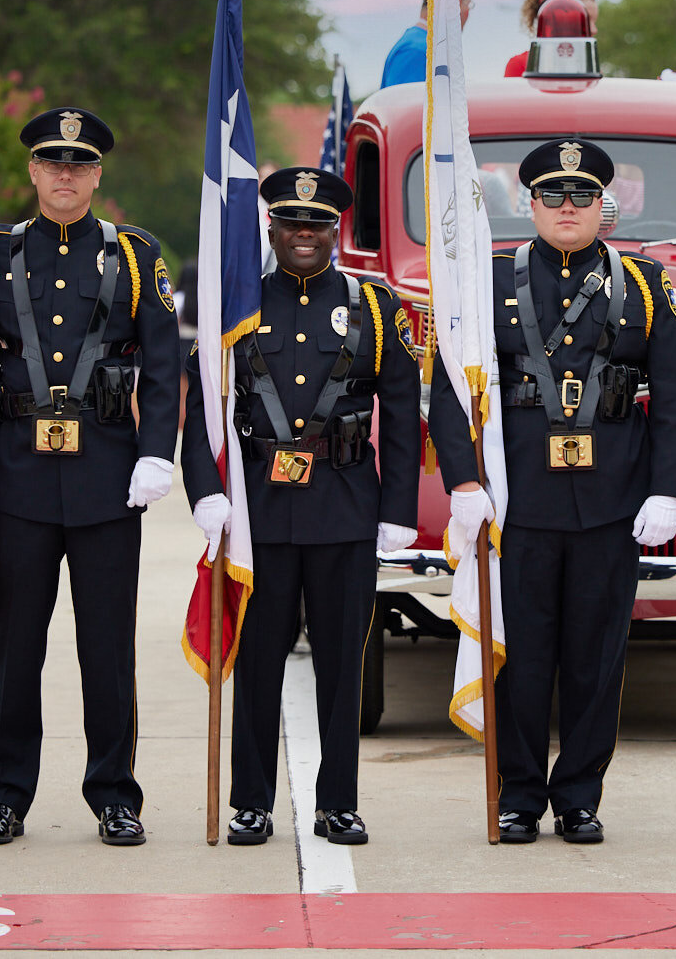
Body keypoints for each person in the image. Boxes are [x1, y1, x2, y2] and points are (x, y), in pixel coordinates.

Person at [428, 139, 676, 845]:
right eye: (552, 195)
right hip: (519, 498)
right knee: (523, 653)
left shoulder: (644, 285)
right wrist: (462, 479)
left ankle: (579, 794)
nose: (567, 209)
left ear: (602, 207)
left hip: (611, 499)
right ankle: (518, 794)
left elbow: (674, 399)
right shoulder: (486, 282)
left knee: (595, 658)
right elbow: (450, 390)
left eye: (582, 197)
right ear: (530, 204)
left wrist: (667, 491)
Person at [0, 108, 182, 850]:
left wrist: (159, 450)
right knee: (18, 646)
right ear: (30, 172)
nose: (65, 174)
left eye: (80, 163)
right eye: (52, 162)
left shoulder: (134, 255)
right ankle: (2, 796)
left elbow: (163, 363)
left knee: (106, 647)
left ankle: (115, 795)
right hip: (22, 475)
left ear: (98, 175)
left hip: (106, 477)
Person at [184, 167, 419, 848]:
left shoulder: (378, 309)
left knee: (343, 666)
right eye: (291, 224)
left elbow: (402, 416)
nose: (304, 235)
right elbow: (202, 410)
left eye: (316, 225)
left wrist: (398, 508)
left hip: (344, 506)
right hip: (258, 514)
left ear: (334, 230)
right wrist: (206, 492)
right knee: (257, 660)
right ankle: (251, 801)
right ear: (272, 230)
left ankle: (337, 803)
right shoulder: (238, 306)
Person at [378, 0, 470, 89]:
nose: (467, 13)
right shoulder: (416, 51)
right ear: (454, 4)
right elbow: (409, 106)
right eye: (467, 4)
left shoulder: (424, 47)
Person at [504, 0, 598, 77]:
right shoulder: (520, 65)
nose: (594, 30)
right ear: (557, 17)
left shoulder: (590, 67)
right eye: (585, 19)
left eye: (595, 21)